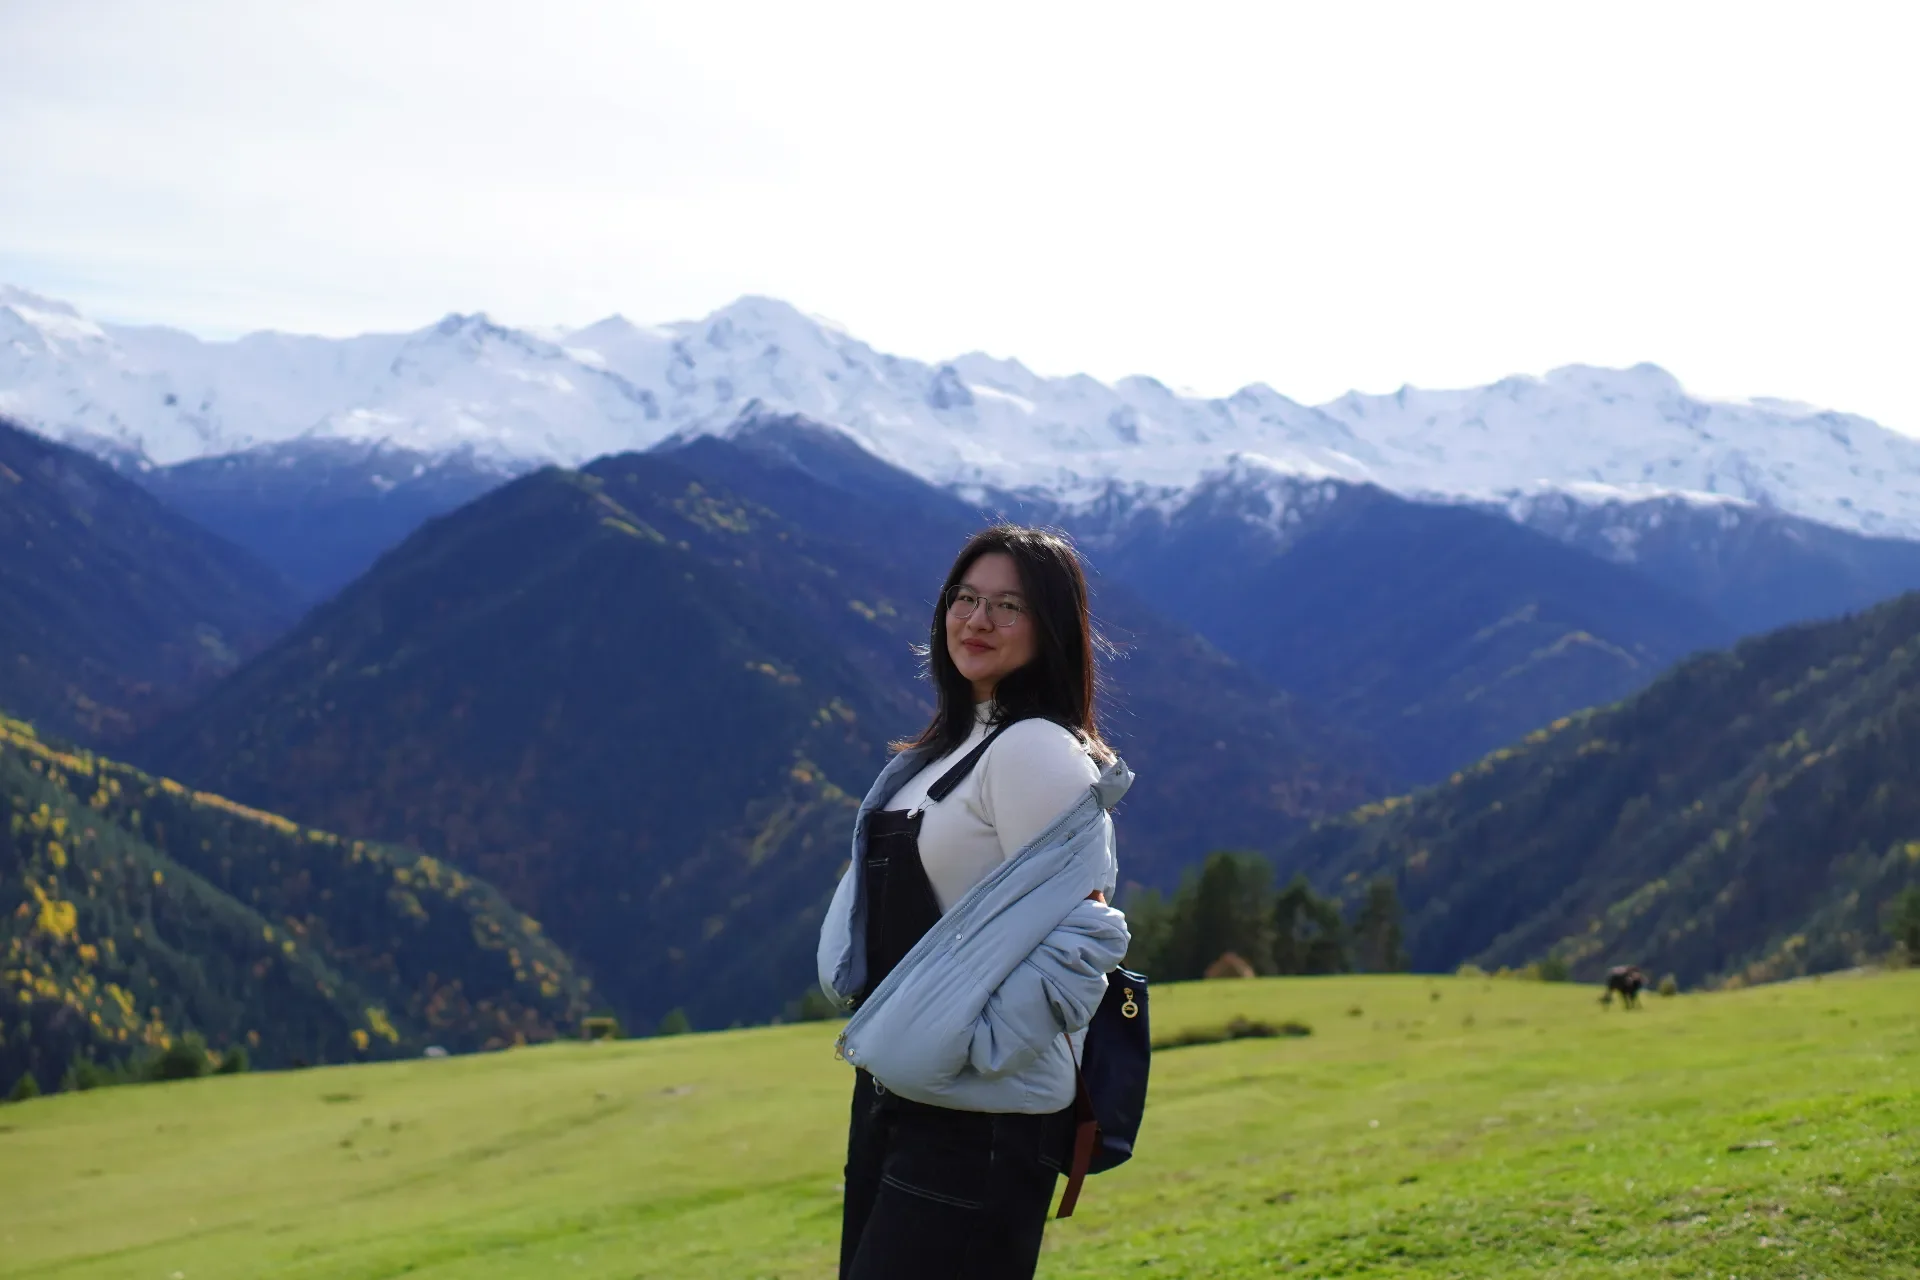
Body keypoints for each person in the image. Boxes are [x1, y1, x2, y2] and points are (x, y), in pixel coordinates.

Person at [816, 524, 1134, 1279]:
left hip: (983, 1117)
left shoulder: (1033, 751)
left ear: (1050, 627)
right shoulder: (949, 751)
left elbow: (1084, 934)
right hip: (904, 1097)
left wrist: (977, 1049)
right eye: (965, 597)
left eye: (1008, 606)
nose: (977, 620)